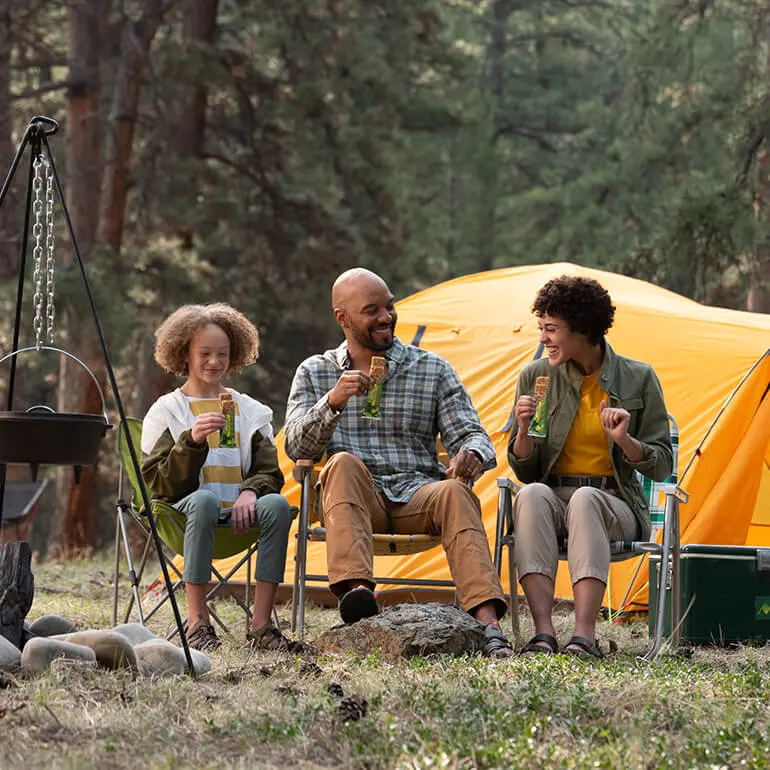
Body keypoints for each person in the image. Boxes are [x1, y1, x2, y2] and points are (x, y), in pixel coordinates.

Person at [284, 268, 514, 659]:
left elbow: (473, 434)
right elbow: (294, 446)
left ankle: (488, 625)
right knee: (340, 463)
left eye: (389, 306)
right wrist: (332, 402)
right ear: (342, 318)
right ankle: (357, 598)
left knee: (455, 492)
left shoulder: (432, 369)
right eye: (371, 310)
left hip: (417, 498)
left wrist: (472, 454)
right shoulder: (316, 371)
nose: (386, 317)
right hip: (354, 502)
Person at [508, 275, 673, 658]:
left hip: (614, 502)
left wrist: (625, 441)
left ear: (582, 329)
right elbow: (526, 472)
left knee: (585, 498)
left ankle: (584, 636)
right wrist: (521, 432)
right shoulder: (536, 377)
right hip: (552, 496)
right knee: (531, 494)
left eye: (551, 330)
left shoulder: (638, 378)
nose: (543, 339)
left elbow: (662, 466)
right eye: (541, 329)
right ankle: (544, 634)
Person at [141, 303, 302, 652]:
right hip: (183, 516)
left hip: (238, 517)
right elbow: (158, 483)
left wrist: (250, 492)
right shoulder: (168, 410)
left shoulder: (248, 410)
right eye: (204, 353)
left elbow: (269, 472)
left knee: (275, 503)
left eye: (223, 354)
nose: (214, 362)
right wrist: (192, 441)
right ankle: (198, 622)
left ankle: (261, 627)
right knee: (205, 498)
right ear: (184, 353)